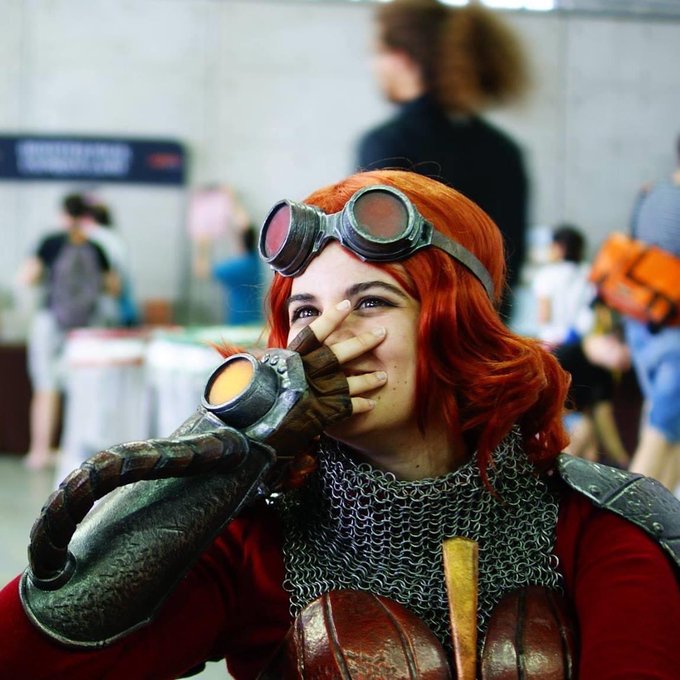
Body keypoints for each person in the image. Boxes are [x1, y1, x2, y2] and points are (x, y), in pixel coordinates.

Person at [1, 171, 678, 678]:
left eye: (371, 302)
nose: (323, 338)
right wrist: (243, 431)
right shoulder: (257, 543)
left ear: (459, 330)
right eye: (303, 312)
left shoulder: (600, 526)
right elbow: (29, 656)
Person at [357, 0, 530, 320]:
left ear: (402, 58)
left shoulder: (387, 144)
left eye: (377, 52)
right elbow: (510, 270)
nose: (372, 65)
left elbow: (374, 263)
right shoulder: (503, 151)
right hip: (485, 332)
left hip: (414, 337)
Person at [17, 193, 119, 470]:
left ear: (63, 214)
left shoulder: (51, 242)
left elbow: (28, 277)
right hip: (86, 326)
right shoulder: (96, 247)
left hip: (51, 321)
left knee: (45, 386)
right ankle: (73, 450)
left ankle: (39, 452)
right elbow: (113, 287)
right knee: (82, 389)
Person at [533, 225, 630, 467]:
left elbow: (544, 317)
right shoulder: (589, 273)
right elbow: (593, 314)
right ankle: (614, 463)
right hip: (585, 347)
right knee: (593, 409)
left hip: (556, 351)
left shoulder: (546, 276)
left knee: (561, 412)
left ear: (559, 247)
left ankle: (566, 466)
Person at [625, 136, 680, 493]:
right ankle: (624, 518)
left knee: (667, 429)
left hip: (642, 323)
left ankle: (663, 521)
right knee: (660, 434)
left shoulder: (650, 195)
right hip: (674, 330)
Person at [195, 225, 264, 326]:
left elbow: (201, 271)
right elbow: (248, 231)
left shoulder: (238, 266)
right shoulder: (255, 261)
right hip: (255, 323)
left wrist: (203, 246)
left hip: (240, 324)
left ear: (240, 242)